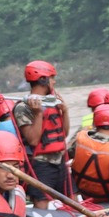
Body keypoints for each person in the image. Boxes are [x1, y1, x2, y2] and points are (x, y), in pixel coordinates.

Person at [11, 58, 71, 204]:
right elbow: (33, 140)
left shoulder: (53, 102)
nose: (54, 82)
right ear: (43, 80)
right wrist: (38, 114)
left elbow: (64, 134)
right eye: (52, 78)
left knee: (73, 200)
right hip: (41, 164)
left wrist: (65, 111)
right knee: (42, 204)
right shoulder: (23, 108)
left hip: (60, 161)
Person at [67, 104, 109, 204]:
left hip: (82, 193)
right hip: (106, 198)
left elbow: (65, 156)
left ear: (95, 122)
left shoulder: (80, 139)